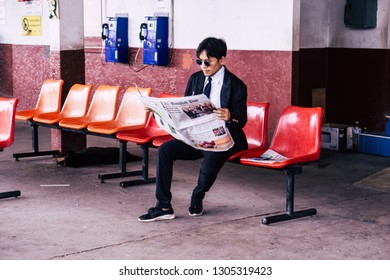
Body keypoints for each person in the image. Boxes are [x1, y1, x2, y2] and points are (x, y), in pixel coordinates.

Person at [138, 37, 248, 222]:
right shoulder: (196, 79)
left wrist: (230, 116)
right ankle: (163, 206)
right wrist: (158, 111)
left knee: (211, 159)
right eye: (199, 61)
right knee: (165, 150)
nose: (203, 66)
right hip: (196, 136)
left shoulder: (236, 85)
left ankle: (198, 195)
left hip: (224, 136)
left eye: (208, 62)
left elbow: (241, 119)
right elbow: (184, 110)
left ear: (222, 59)